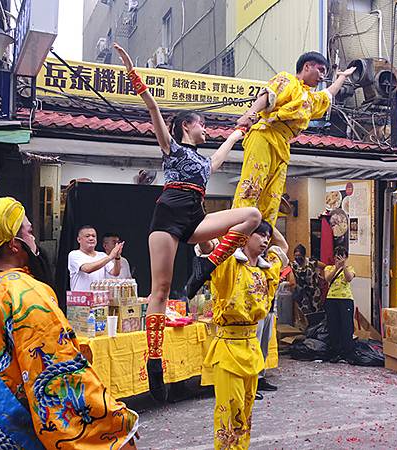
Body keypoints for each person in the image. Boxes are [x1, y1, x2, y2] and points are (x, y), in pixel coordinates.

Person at [0, 193, 139, 448]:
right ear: (14, 245)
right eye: (28, 231)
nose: (33, 237)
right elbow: (56, 371)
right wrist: (112, 420)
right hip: (12, 430)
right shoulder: (26, 290)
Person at [113, 43, 262, 402]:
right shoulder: (172, 149)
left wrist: (240, 131)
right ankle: (154, 362)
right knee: (160, 291)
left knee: (252, 216)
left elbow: (221, 157)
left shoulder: (202, 162)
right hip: (168, 215)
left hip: (195, 215)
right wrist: (134, 72)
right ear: (185, 126)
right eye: (202, 123)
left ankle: (206, 264)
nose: (206, 128)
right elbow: (152, 108)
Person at [232, 53, 356, 228]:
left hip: (282, 144)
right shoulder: (287, 80)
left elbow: (328, 95)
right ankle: (237, 236)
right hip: (264, 135)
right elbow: (268, 96)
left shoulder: (310, 98)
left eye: (325, 72)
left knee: (273, 195)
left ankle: (260, 236)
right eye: (320, 70)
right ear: (307, 66)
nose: (322, 76)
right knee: (252, 184)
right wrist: (249, 114)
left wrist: (342, 77)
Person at [197, 221, 288, 449]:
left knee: (245, 412)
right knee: (229, 410)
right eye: (260, 235)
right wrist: (246, 220)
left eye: (268, 236)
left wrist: (265, 217)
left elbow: (283, 247)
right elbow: (207, 246)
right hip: (229, 348)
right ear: (246, 237)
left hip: (251, 347)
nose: (266, 240)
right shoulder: (230, 264)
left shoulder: (266, 269)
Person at [323, 246, 356, 363]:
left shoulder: (350, 268)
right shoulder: (328, 268)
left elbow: (349, 278)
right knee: (333, 326)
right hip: (331, 299)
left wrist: (343, 267)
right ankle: (335, 352)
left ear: (346, 257)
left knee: (347, 327)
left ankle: (347, 353)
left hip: (346, 299)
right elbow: (327, 278)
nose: (339, 258)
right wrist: (336, 268)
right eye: (337, 255)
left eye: (342, 255)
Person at [68, 225, 124, 290]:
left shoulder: (102, 255)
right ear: (79, 239)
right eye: (87, 236)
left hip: (98, 298)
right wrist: (110, 257)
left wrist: (117, 257)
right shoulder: (74, 254)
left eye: (93, 236)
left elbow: (115, 273)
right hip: (81, 298)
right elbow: (87, 269)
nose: (91, 238)